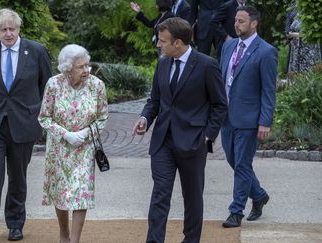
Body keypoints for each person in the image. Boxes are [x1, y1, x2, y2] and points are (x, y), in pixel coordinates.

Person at [133, 17, 227, 243]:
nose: (158, 45)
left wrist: (208, 135)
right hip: (163, 141)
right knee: (160, 195)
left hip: (194, 142)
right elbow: (155, 100)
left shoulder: (206, 65)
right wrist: (145, 118)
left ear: (178, 42)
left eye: (163, 41)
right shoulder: (163, 63)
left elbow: (220, 104)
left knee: (192, 198)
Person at [0, 8, 52, 242]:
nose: (8, 33)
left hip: (24, 123)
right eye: (3, 29)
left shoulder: (35, 51)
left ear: (19, 29)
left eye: (12, 28)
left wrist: (30, 107)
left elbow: (46, 85)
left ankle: (15, 225)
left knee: (18, 176)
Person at [38, 44, 108, 243]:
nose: (86, 70)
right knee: (61, 191)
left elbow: (102, 117)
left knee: (81, 191)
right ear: (67, 68)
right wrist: (66, 134)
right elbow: (44, 118)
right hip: (59, 147)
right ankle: (64, 234)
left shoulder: (97, 85)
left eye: (88, 66)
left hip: (84, 148)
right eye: (81, 67)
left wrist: (86, 132)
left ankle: (74, 240)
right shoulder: (54, 84)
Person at [219, 5, 277, 228]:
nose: (236, 24)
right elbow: (222, 79)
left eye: (241, 21)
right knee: (234, 161)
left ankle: (236, 212)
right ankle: (259, 194)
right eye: (235, 20)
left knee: (242, 165)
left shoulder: (266, 51)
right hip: (226, 117)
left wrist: (265, 121)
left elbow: (268, 91)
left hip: (249, 119)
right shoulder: (229, 46)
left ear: (254, 23)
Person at [285, 1, 321, 75]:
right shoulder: (292, 6)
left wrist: (298, 35)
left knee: (311, 73)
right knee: (295, 75)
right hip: (295, 48)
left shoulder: (314, 5)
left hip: (311, 47)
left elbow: (317, 31)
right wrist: (290, 34)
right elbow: (287, 30)